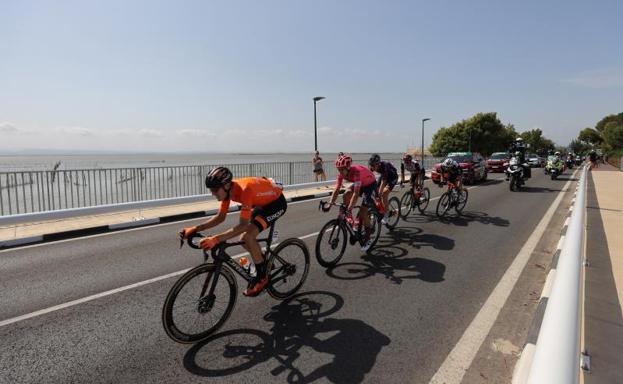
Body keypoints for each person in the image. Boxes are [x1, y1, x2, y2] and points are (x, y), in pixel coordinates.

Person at [179, 167, 287, 297]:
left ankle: (262, 278)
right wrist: (195, 228)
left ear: (226, 185)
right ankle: (263, 261)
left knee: (247, 236)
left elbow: (242, 225)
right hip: (261, 204)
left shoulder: (245, 190)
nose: (212, 193)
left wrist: (216, 239)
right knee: (244, 239)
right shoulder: (228, 191)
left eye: (214, 190)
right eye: (211, 190)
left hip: (276, 204)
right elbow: (220, 217)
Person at [321, 154, 377, 251]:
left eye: (342, 169)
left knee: (363, 211)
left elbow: (355, 194)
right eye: (338, 169)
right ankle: (351, 221)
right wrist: (330, 204)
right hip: (361, 184)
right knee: (346, 194)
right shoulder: (341, 174)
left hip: (370, 185)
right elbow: (337, 189)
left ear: (348, 167)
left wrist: (349, 208)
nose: (340, 171)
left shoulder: (356, 172)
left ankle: (368, 238)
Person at [368, 154, 398, 225]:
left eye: (373, 165)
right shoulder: (373, 166)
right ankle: (381, 208)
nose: (372, 167)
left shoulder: (384, 166)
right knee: (375, 192)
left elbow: (383, 182)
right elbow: (369, 176)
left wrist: (379, 193)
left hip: (392, 177)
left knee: (384, 193)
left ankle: (387, 214)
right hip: (384, 176)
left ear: (378, 164)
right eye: (371, 165)